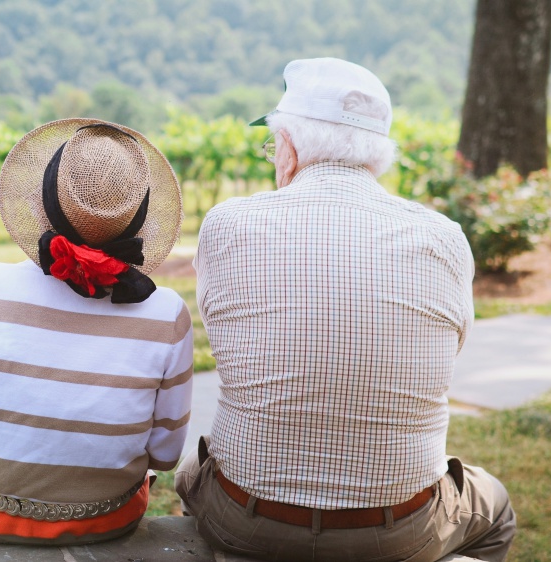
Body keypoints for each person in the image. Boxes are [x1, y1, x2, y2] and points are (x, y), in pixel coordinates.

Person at [175, 58, 516, 561]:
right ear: (378, 154)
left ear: (288, 146)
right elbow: (451, 346)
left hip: (247, 521)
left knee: (190, 473)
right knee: (496, 509)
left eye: (273, 144)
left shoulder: (228, 223)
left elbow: (226, 333)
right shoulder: (444, 237)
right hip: (401, 529)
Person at [0, 119, 194, 545]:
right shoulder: (166, 313)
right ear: (137, 218)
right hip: (106, 520)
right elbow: (166, 455)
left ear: (43, 201)